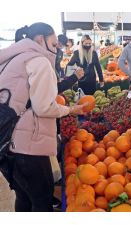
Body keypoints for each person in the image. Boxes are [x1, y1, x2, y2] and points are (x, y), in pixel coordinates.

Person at [0, 22, 86, 212]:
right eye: (54, 45)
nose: (57, 50)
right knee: (42, 201)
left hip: (6, 141)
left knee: (23, 196)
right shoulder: (39, 61)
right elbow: (44, 108)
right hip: (28, 146)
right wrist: (71, 110)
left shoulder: (12, 58)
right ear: (40, 40)